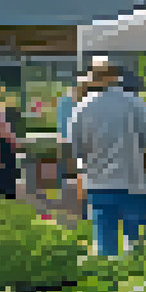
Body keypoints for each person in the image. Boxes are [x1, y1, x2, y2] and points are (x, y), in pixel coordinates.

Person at [65, 58, 146, 256]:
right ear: (117, 77)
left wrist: (79, 181)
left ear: (92, 79)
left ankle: (107, 272)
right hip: (133, 182)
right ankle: (138, 273)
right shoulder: (135, 103)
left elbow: (74, 151)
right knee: (138, 247)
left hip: (98, 184)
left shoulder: (82, 108)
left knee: (105, 246)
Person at [57, 75, 90, 220]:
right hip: (78, 143)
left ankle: (73, 208)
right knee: (78, 176)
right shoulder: (87, 103)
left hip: (68, 142)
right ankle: (80, 208)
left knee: (71, 177)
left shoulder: (65, 101)